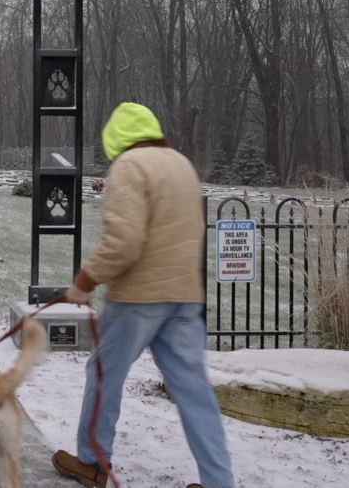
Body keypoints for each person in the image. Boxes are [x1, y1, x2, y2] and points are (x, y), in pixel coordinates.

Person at [52, 102, 234, 488]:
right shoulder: (181, 164)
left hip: (137, 299)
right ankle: (220, 481)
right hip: (185, 297)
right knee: (194, 392)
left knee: (104, 376)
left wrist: (85, 281)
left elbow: (125, 242)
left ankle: (93, 463)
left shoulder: (129, 167)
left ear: (116, 140)